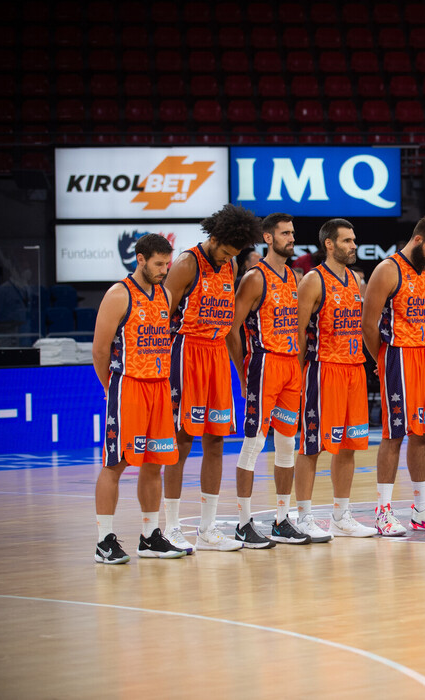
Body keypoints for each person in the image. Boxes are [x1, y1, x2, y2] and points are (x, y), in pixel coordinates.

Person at [163, 204, 261, 553]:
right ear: (213, 238)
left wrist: (242, 370)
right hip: (186, 351)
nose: (227, 259)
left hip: (217, 353)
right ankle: (171, 526)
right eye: (224, 251)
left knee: (216, 441)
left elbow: (231, 327)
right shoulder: (188, 264)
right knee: (183, 438)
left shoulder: (230, 263)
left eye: (234, 254)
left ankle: (207, 528)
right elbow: (162, 316)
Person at [362, 215, 425, 536]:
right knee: (395, 434)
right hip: (399, 355)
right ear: (418, 240)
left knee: (423, 433)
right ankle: (383, 512)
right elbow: (368, 323)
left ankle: (421, 510)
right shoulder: (387, 270)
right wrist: (381, 358)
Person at [92, 233, 184, 563]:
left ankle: (150, 537)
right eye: (159, 264)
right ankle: (104, 541)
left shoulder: (166, 292)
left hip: (160, 387)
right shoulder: (119, 294)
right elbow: (100, 351)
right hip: (128, 384)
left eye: (167, 263)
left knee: (154, 463)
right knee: (115, 463)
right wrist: (110, 387)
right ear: (141, 259)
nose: (164, 269)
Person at [226, 213, 311, 547]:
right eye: (284, 233)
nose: (291, 237)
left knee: (288, 443)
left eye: (292, 232)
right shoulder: (254, 278)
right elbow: (232, 329)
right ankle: (244, 522)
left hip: (290, 365)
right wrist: (243, 371)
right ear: (268, 237)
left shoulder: (292, 275)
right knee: (254, 442)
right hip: (264, 363)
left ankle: (280, 519)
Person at [293, 219, 378, 540]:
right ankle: (303, 516)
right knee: (312, 446)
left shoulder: (357, 281)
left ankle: (341, 515)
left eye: (354, 240)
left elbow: (366, 325)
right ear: (329, 244)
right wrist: (298, 375)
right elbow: (298, 333)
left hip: (354, 369)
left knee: (349, 446)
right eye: (346, 241)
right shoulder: (313, 280)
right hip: (323, 369)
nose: (353, 245)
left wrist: (373, 360)